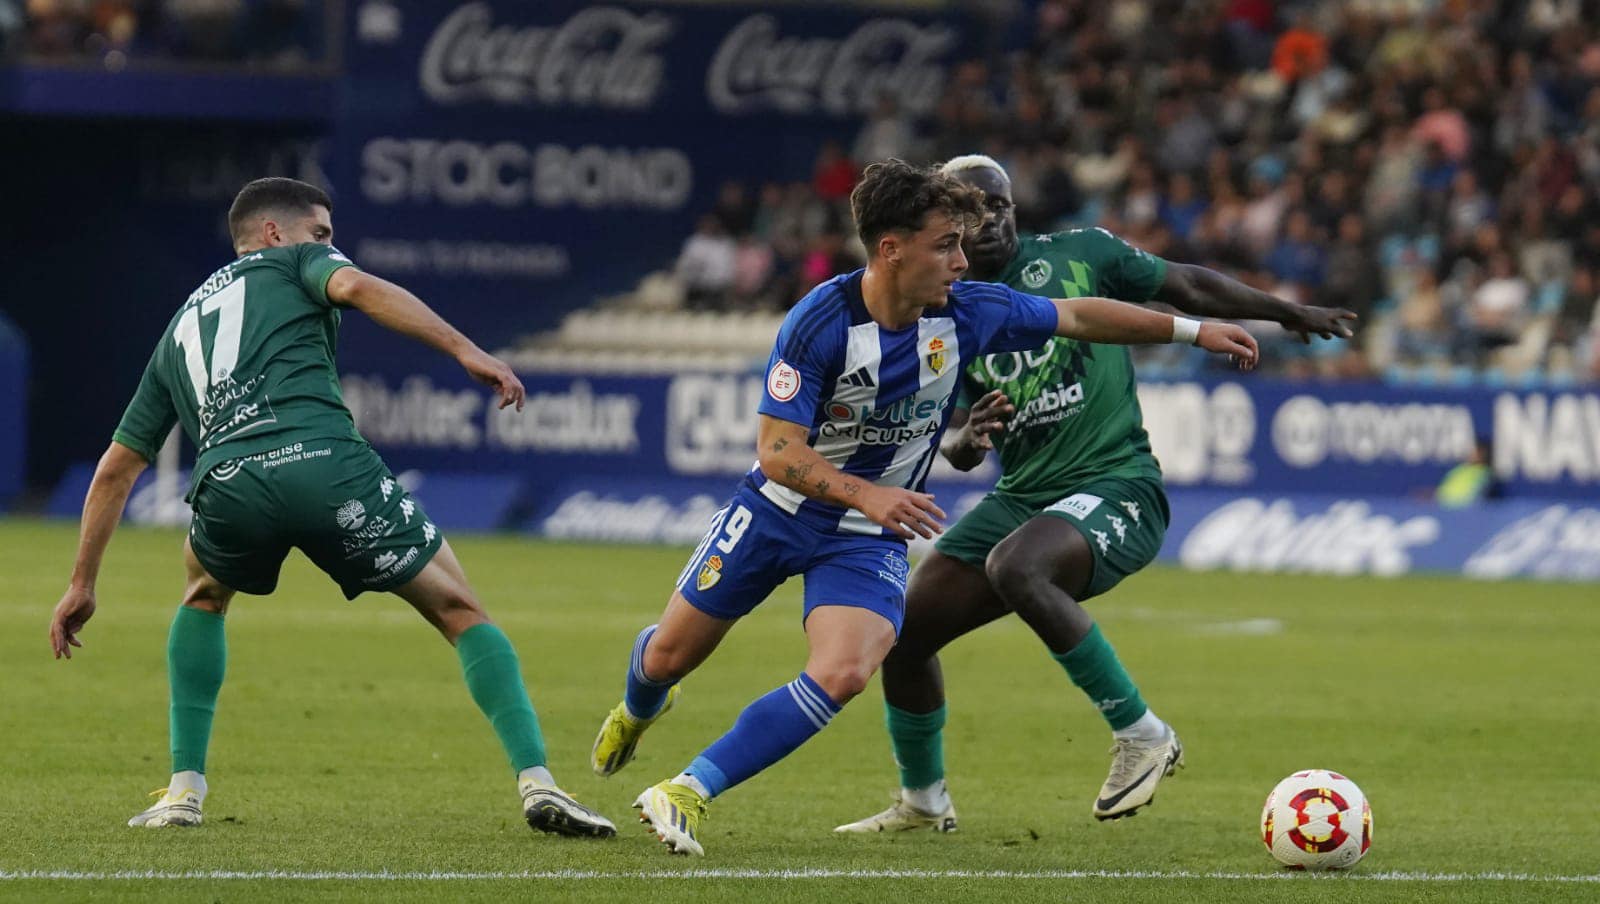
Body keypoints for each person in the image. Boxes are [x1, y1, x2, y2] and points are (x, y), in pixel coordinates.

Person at [585, 159, 1260, 856]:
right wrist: (871, 491)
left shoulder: (968, 311)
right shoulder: (818, 322)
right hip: (778, 507)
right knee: (665, 657)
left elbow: (1079, 315)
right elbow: (780, 449)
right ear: (891, 249)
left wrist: (1192, 331)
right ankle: (641, 708)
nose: (964, 261)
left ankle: (688, 790)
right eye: (946, 245)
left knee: (848, 670)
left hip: (866, 533)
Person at [47, 177, 615, 838]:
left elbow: (117, 467)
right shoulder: (296, 262)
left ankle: (182, 790)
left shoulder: (178, 328)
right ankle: (538, 782)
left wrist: (82, 582)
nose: (330, 246)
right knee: (461, 609)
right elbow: (361, 289)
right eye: (322, 233)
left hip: (231, 483)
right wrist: (467, 349)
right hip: (325, 466)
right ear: (273, 234)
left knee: (203, 594)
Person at [835, 154, 1356, 835]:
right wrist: (971, 439)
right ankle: (924, 799)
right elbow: (956, 445)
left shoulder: (1081, 253)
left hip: (1117, 485)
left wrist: (1284, 312)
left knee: (1017, 566)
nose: (992, 222)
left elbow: (1185, 284)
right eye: (972, 214)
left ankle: (1142, 732)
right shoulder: (938, 313)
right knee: (902, 634)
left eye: (1002, 206)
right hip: (1023, 497)